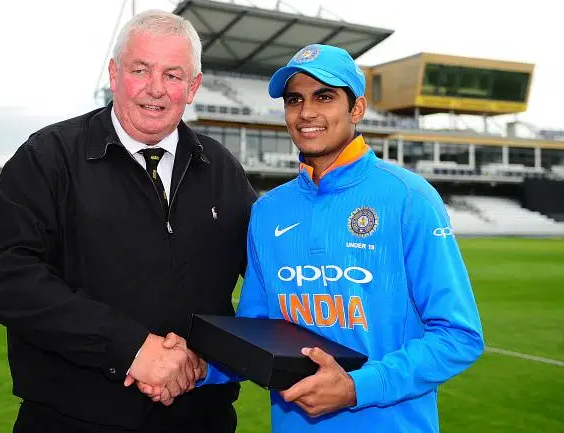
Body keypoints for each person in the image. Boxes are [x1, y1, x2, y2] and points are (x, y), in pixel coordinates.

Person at [158, 44, 485, 431]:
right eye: (295, 99)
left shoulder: (409, 197)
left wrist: (356, 387)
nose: (306, 112)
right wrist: (199, 367)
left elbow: (458, 336)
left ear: (357, 109)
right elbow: (254, 335)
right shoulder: (268, 211)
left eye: (324, 97)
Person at [0, 9, 257, 433]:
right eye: (140, 70)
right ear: (114, 73)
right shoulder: (47, 157)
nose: (155, 89)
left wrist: (210, 359)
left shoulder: (221, 168)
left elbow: (267, 279)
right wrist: (130, 348)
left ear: (193, 86)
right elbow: (5, 275)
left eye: (173, 75)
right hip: (71, 419)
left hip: (201, 415)